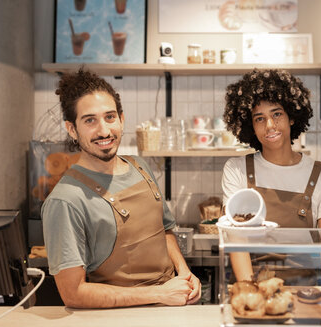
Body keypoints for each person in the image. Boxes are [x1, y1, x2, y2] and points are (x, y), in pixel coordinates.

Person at [41, 68, 201, 308]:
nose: (104, 131)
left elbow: (165, 231)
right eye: (90, 120)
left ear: (122, 118)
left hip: (172, 309)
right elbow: (73, 293)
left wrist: (184, 273)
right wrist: (159, 294)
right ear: (72, 129)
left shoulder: (140, 167)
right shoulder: (65, 200)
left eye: (110, 117)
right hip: (115, 322)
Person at [221, 68, 321, 289]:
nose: (269, 125)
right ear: (251, 127)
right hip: (249, 286)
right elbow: (236, 241)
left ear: (292, 117)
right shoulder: (237, 169)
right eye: (260, 118)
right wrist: (251, 292)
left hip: (303, 290)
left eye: (277, 114)